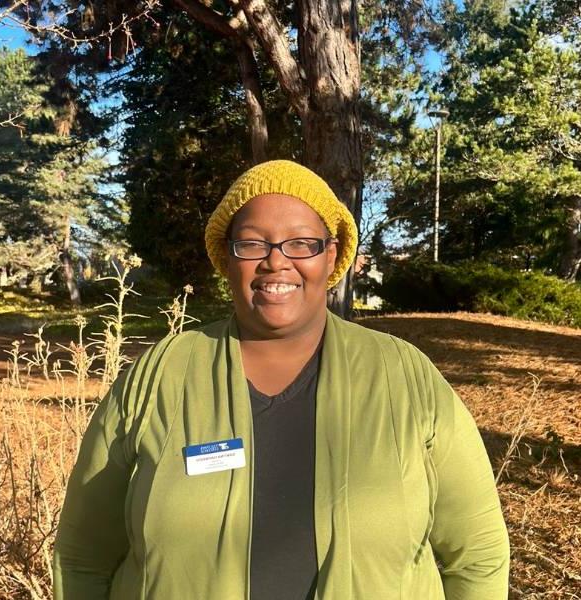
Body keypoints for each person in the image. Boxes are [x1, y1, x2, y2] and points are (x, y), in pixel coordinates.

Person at [53, 159, 510, 599]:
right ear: (227, 259)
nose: (276, 262)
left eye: (301, 243)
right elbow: (83, 557)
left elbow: (477, 556)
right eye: (252, 244)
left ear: (331, 257)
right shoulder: (160, 376)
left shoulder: (405, 378)